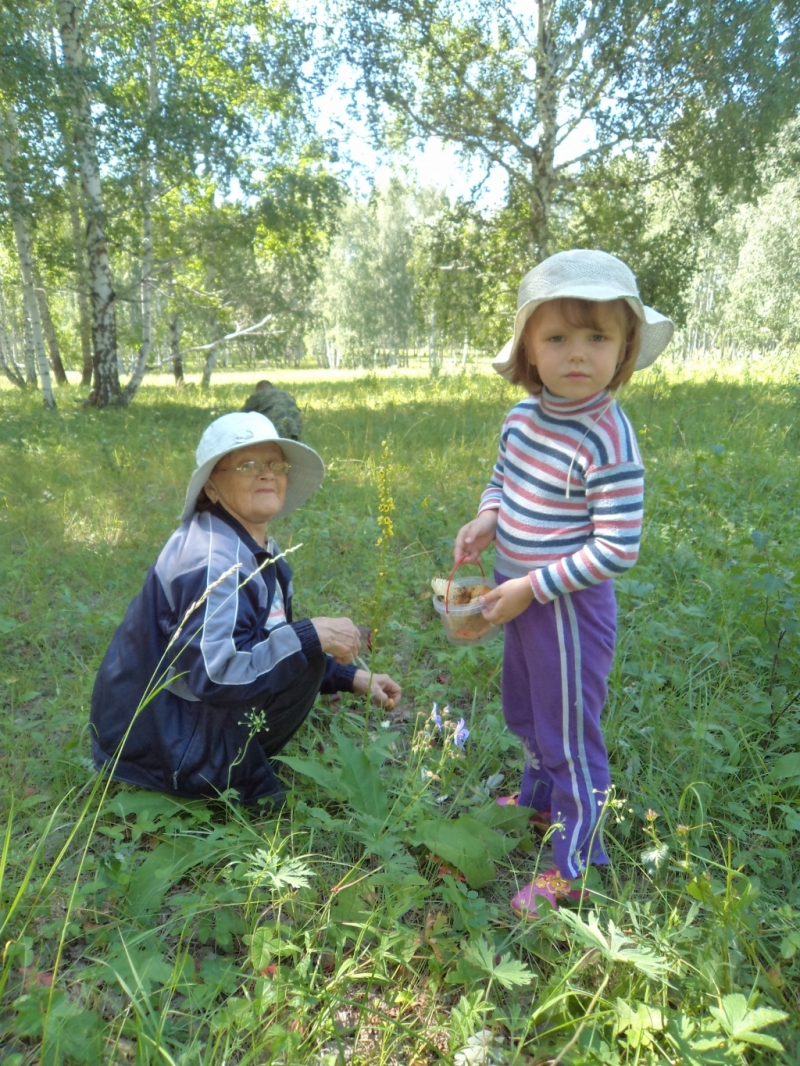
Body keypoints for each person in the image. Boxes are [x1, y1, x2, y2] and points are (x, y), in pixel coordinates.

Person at [453, 250, 674, 918]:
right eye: (558, 337)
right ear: (528, 347)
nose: (578, 354)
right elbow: (506, 479)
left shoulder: (609, 436)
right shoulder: (523, 418)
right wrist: (488, 515)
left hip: (568, 609)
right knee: (523, 706)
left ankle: (573, 864)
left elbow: (616, 548)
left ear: (625, 347)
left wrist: (531, 587)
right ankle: (535, 798)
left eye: (597, 337)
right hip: (513, 594)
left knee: (569, 732)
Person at [90, 412, 400, 806]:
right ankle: (217, 774)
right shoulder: (212, 561)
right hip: (158, 744)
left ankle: (226, 753)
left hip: (165, 727)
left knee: (301, 652)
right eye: (247, 465)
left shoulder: (247, 546)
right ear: (212, 487)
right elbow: (213, 674)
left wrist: (351, 677)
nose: (266, 474)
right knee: (301, 649)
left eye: (274, 464)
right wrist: (309, 636)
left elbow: (263, 637)